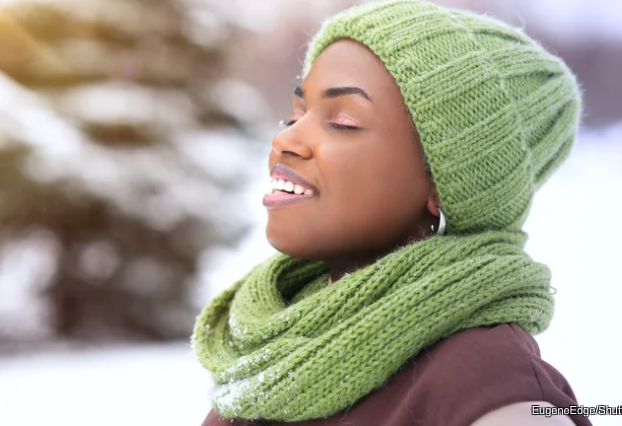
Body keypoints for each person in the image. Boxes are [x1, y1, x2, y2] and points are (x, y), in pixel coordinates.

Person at [192, 1, 591, 425]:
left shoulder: (487, 388)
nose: (286, 139)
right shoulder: (272, 351)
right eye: (296, 114)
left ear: (444, 183)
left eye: (343, 121)